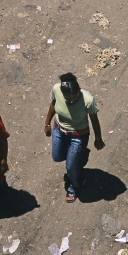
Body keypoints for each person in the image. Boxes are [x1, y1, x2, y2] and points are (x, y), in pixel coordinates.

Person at [44, 72, 105, 203]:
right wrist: (47, 123)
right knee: (57, 156)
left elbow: (94, 120)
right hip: (59, 130)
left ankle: (75, 185)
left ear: (79, 90)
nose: (71, 100)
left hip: (78, 135)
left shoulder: (88, 100)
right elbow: (53, 104)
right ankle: (78, 157)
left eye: (74, 97)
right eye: (68, 98)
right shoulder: (56, 89)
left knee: (71, 167)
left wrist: (98, 138)